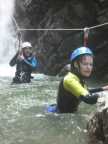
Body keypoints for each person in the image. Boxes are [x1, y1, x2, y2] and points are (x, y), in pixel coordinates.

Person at [47, 47, 108, 113]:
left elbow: (86, 91)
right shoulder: (69, 79)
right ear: (76, 64)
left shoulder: (79, 79)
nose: (89, 67)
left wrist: (104, 88)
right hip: (56, 115)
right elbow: (89, 99)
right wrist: (103, 95)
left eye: (91, 64)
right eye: (85, 64)